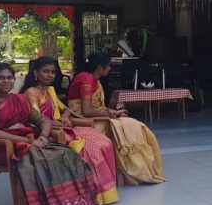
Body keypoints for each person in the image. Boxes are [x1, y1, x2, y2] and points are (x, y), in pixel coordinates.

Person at [0, 63, 100, 205]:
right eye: (0, 78)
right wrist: (26, 141)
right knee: (45, 160)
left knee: (67, 154)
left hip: (26, 143)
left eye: (9, 78)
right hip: (0, 147)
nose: (5, 81)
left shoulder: (19, 100)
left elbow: (44, 121)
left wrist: (42, 137)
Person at [23, 57, 120, 205]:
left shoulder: (49, 90)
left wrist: (64, 116)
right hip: (49, 131)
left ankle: (104, 188)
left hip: (62, 127)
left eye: (52, 72)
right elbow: (37, 119)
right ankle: (94, 191)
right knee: (92, 149)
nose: (50, 75)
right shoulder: (31, 92)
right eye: (45, 71)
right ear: (35, 73)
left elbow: (66, 110)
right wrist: (59, 122)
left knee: (104, 142)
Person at [67, 51, 166, 184]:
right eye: (108, 66)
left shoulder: (92, 78)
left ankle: (138, 170)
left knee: (132, 124)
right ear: (99, 67)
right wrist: (109, 114)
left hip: (94, 117)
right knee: (131, 127)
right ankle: (134, 172)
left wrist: (113, 111)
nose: (110, 68)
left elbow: (96, 107)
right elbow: (86, 110)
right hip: (85, 120)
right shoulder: (86, 79)